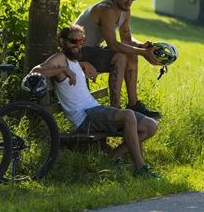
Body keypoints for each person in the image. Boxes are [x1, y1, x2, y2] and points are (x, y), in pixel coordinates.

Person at [30, 24, 161, 178]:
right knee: (128, 116)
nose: (77, 46)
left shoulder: (74, 61)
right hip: (84, 116)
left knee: (151, 126)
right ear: (62, 42)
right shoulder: (59, 59)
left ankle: (111, 158)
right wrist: (62, 70)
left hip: (95, 110)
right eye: (73, 41)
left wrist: (82, 65)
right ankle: (141, 168)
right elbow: (35, 72)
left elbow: (74, 64)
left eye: (81, 42)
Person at [75, 0, 161, 118]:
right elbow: (113, 44)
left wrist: (141, 46)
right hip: (78, 52)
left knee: (131, 55)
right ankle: (115, 109)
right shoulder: (107, 9)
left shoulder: (125, 11)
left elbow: (126, 38)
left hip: (92, 49)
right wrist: (143, 53)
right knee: (120, 57)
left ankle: (133, 104)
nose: (129, 1)